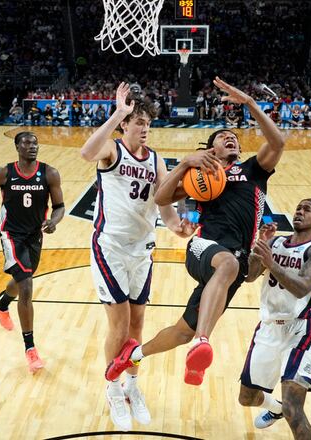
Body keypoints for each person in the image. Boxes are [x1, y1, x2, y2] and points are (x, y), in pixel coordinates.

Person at [105, 76, 286, 386]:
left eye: (234, 138)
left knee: (181, 331)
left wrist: (251, 104)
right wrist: (185, 164)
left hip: (236, 265)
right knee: (226, 265)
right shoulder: (197, 174)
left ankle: (132, 357)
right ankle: (202, 342)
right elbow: (160, 198)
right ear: (210, 147)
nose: (231, 138)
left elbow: (278, 142)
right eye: (223, 136)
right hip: (205, 248)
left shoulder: (253, 170)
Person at [79, 82, 196, 431]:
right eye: (138, 122)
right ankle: (112, 387)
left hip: (142, 250)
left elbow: (165, 202)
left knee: (138, 324)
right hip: (110, 248)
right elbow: (86, 153)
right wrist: (117, 111)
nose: (144, 128)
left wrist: (176, 227)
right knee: (118, 323)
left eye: (148, 123)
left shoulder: (158, 160)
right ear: (125, 125)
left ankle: (132, 383)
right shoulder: (112, 152)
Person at [0, 131, 65, 374]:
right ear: (17, 147)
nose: (32, 146)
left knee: (21, 279)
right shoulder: (2, 172)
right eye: (26, 142)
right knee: (26, 286)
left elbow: (60, 207)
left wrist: (54, 221)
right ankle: (30, 349)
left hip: (35, 235)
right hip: (11, 234)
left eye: (35, 142)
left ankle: (1, 306)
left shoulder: (50, 173)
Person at [239, 199, 311, 439]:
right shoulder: (275, 241)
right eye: (298, 207)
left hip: (299, 330)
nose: (299, 211)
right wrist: (260, 244)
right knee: (246, 398)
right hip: (268, 328)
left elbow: (302, 288)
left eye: (307, 209)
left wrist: (272, 263)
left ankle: (285, 410)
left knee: (294, 410)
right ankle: (275, 408)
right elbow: (249, 277)